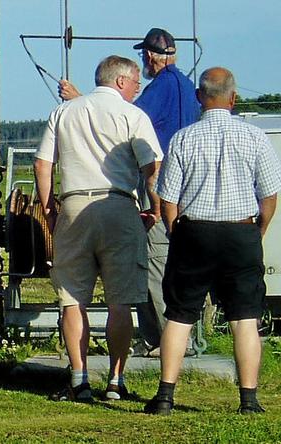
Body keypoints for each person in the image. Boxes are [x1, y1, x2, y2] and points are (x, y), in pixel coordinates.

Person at [145, 67, 281, 416]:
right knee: (244, 316)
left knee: (180, 314)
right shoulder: (255, 138)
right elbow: (269, 195)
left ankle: (165, 396)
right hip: (240, 230)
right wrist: (257, 231)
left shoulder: (183, 139)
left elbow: (168, 196)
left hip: (195, 230)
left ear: (199, 97)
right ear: (234, 98)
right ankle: (248, 400)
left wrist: (177, 231)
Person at [59, 28, 200, 356]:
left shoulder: (160, 90)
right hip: (182, 189)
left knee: (153, 262)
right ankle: (166, 338)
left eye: (143, 58)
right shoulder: (185, 86)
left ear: (151, 56)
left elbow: (122, 119)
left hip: (159, 188)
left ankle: (166, 341)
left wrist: (79, 101)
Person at [35, 55, 162, 402]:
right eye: (135, 83)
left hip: (74, 202)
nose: (137, 90)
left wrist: (48, 209)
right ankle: (116, 381)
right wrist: (153, 208)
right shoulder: (132, 115)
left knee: (72, 299)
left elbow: (42, 162)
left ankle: (79, 378)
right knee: (121, 300)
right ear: (120, 81)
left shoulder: (64, 112)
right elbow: (152, 167)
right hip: (119, 204)